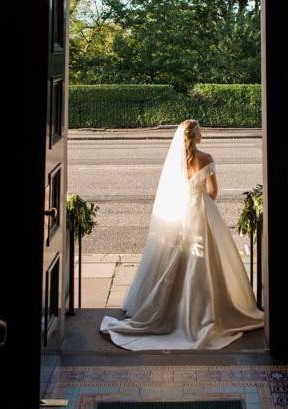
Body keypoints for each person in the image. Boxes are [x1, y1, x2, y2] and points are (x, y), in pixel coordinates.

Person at [99, 119, 264, 350]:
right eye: (199, 130)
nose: (202, 132)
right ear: (195, 135)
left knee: (175, 258)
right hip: (203, 212)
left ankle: (170, 308)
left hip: (182, 213)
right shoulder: (206, 158)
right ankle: (208, 311)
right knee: (210, 261)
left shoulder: (178, 161)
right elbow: (213, 192)